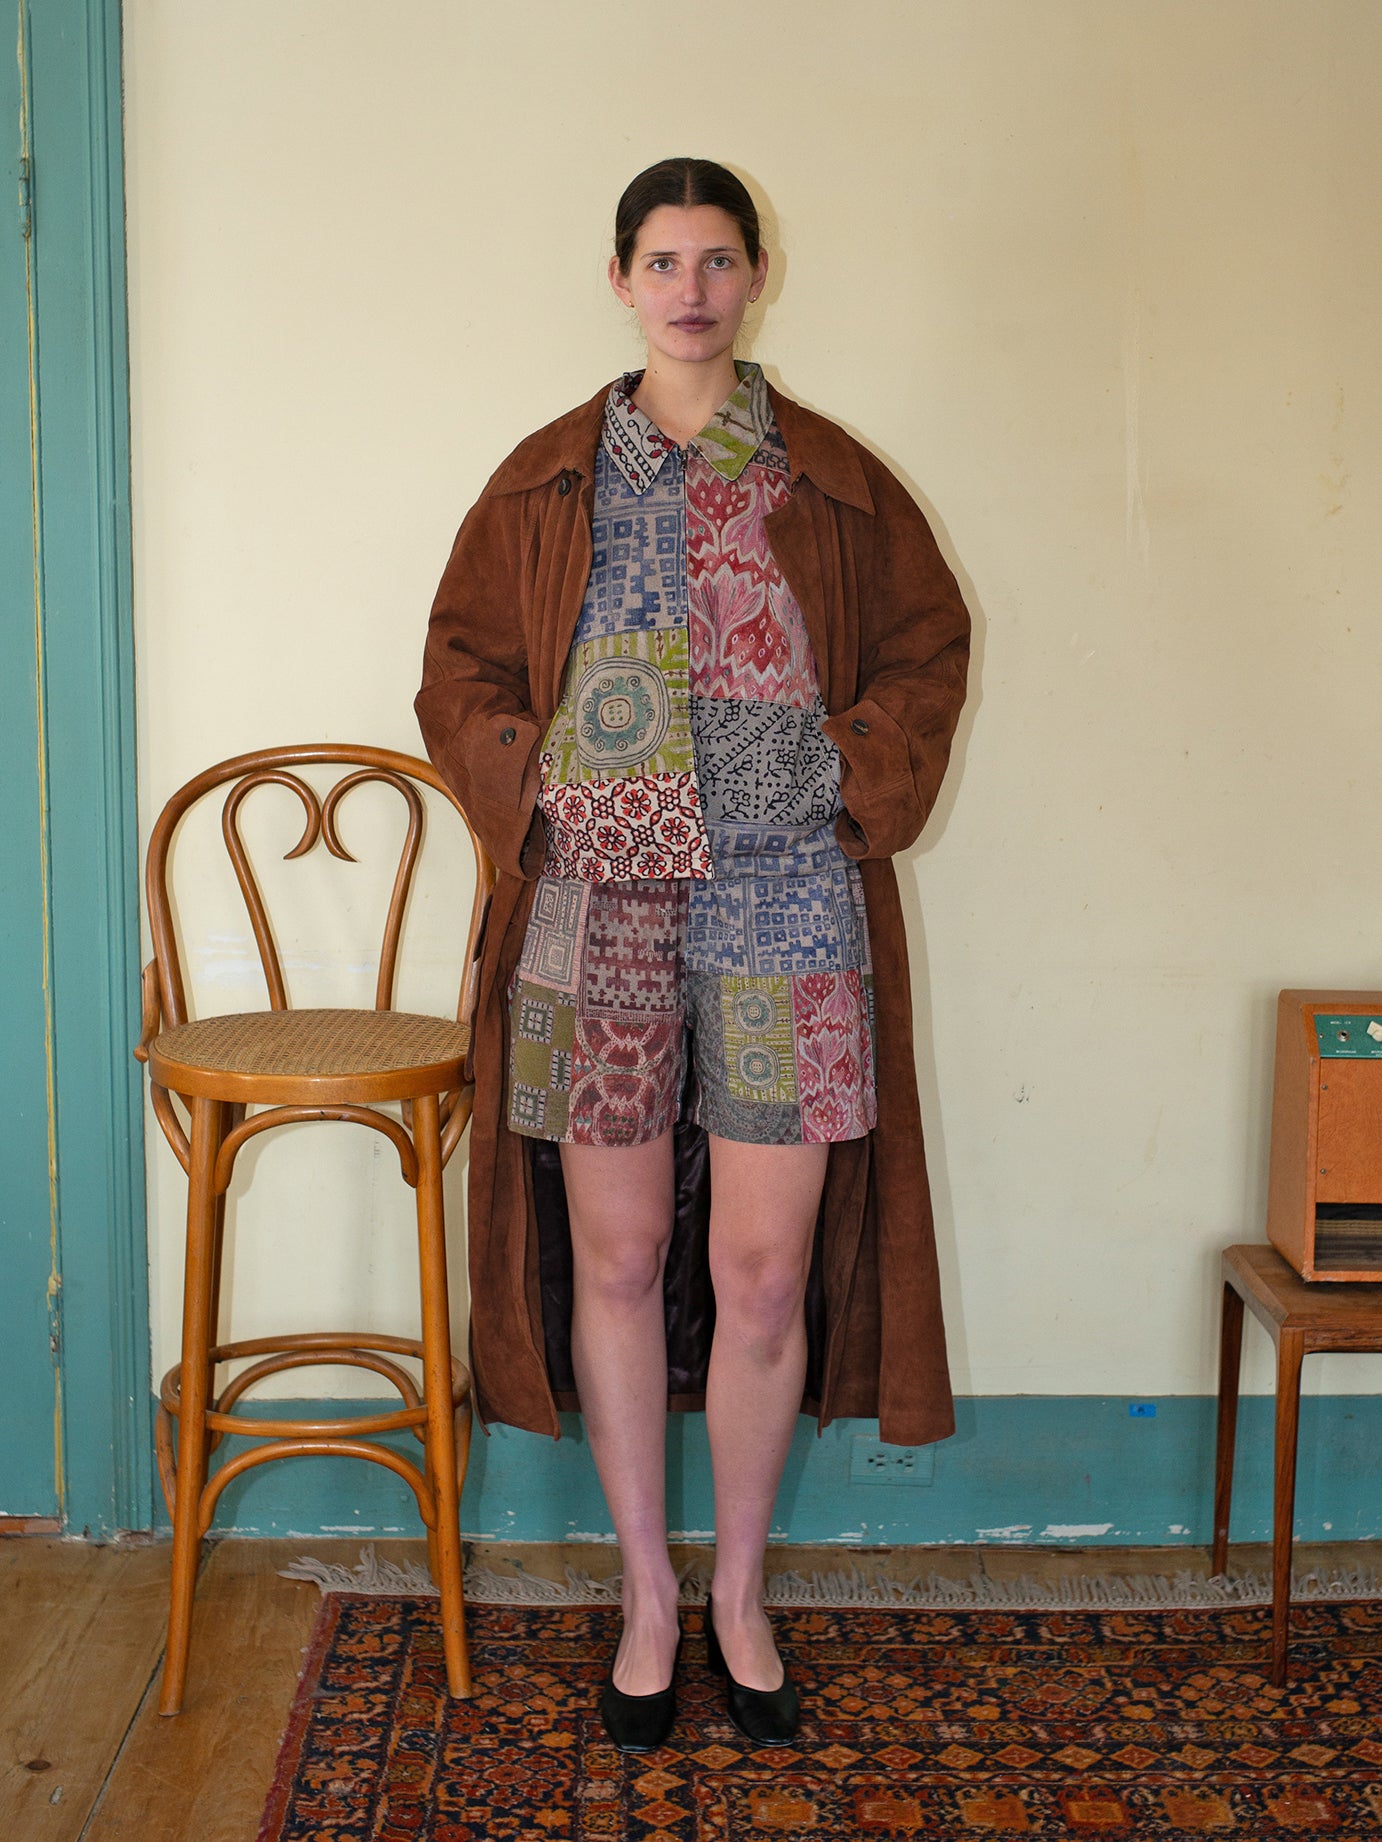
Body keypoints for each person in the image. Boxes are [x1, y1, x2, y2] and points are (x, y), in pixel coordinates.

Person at [416, 157, 970, 1752]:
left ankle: (739, 1592)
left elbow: (929, 651)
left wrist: (839, 766)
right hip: (595, 904)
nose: (691, 287)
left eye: (718, 257)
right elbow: (455, 671)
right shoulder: (544, 477)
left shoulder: (835, 478)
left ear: (754, 274)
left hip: (787, 895)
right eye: (662, 259)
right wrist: (539, 772)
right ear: (620, 280)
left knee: (760, 1266)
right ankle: (645, 1594)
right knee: (609, 1255)